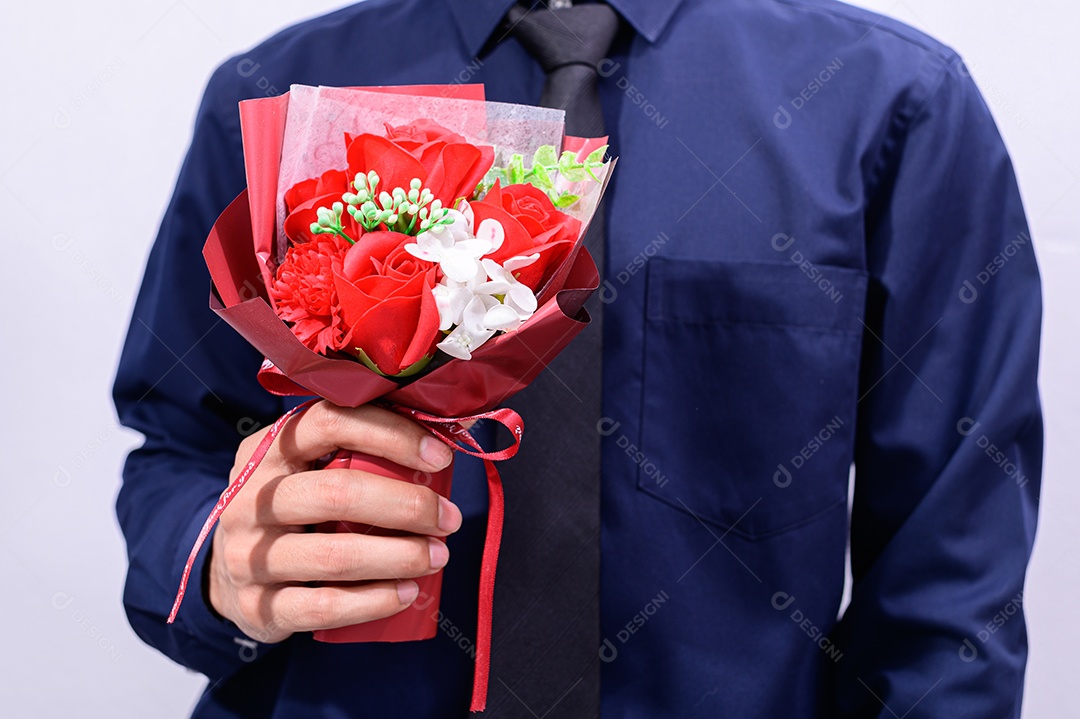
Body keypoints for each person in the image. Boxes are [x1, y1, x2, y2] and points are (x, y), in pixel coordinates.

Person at [113, 0, 1043, 716]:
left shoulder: (892, 103)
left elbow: (950, 578)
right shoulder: (281, 88)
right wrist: (219, 567)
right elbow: (177, 446)